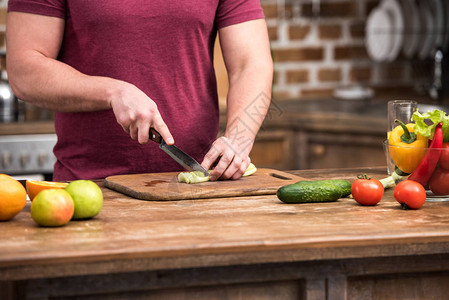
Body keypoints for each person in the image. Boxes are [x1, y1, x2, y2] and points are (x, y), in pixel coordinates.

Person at [6, 0, 273, 181]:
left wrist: (240, 137)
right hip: (90, 189)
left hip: (199, 192)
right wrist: (112, 92)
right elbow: (24, 71)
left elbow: (252, 64)